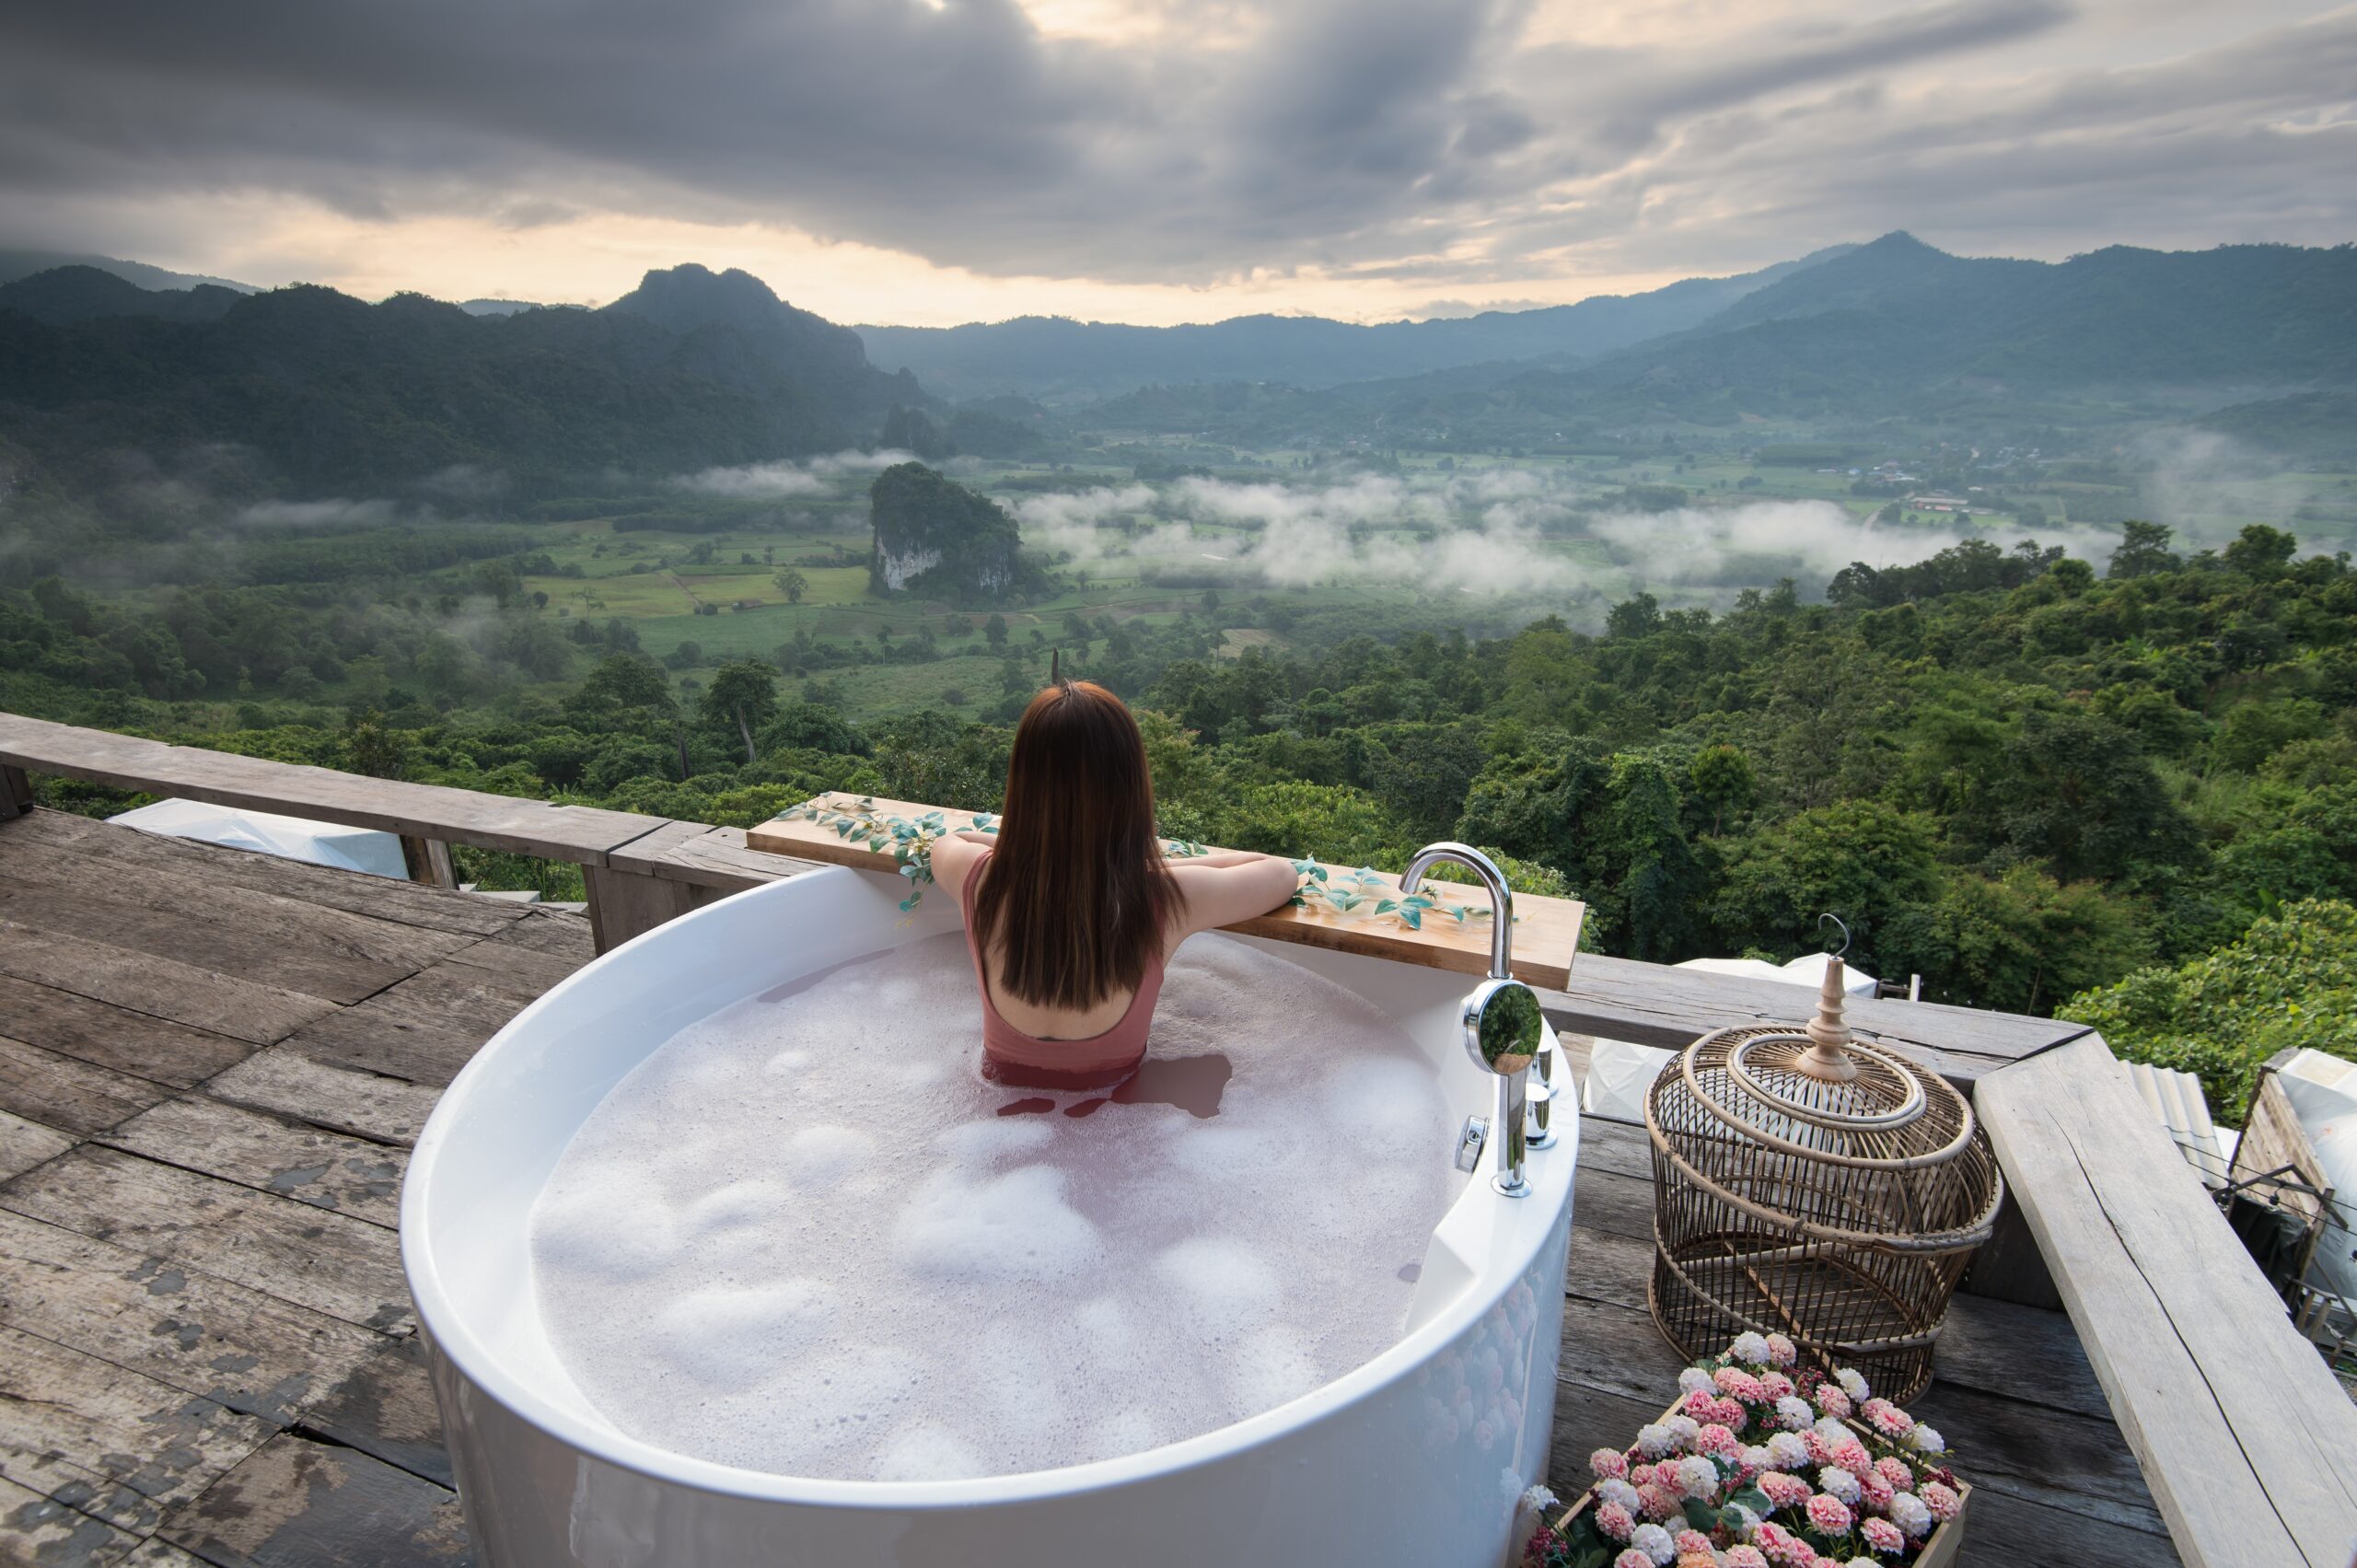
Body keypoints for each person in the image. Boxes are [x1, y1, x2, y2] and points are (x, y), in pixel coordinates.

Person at [930, 680, 1298, 1089]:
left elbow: (949, 841)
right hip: (1114, 1125)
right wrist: (1146, 867)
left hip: (993, 1122)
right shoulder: (1168, 897)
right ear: (1131, 789)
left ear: (1021, 785)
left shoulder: (978, 879)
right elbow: (1280, 872)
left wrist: (1035, 851)